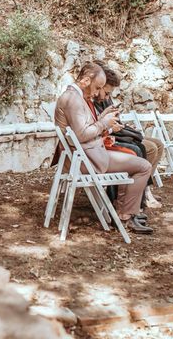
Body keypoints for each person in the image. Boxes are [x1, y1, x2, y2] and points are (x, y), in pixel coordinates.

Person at [54, 62, 153, 234]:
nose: (97, 93)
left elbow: (83, 128)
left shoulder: (75, 97)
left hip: (86, 155)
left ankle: (123, 213)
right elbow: (81, 135)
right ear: (85, 80)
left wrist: (102, 117)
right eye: (97, 87)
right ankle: (124, 216)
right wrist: (103, 123)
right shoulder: (73, 99)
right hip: (87, 160)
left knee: (137, 159)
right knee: (144, 167)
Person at [94, 65, 164, 209]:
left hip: (114, 133)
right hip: (107, 139)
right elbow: (97, 125)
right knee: (148, 148)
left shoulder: (104, 98)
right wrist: (112, 128)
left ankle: (145, 188)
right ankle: (139, 192)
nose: (107, 96)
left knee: (158, 144)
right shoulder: (92, 99)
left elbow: (109, 119)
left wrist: (122, 127)